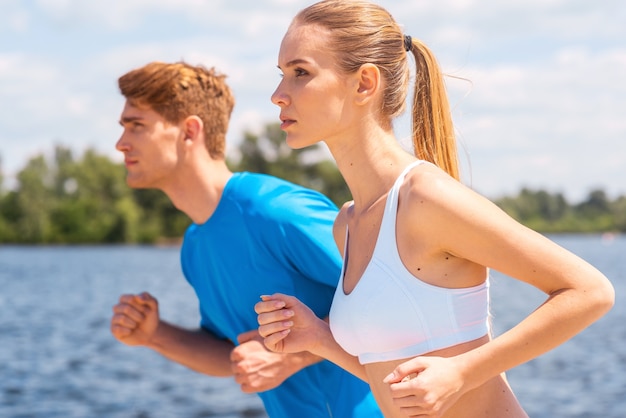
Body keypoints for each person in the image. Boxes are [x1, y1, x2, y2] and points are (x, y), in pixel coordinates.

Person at [254, 1, 616, 417]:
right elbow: (395, 380)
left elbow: (589, 291)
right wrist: (319, 337)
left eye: (300, 73)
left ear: (364, 83)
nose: (278, 95)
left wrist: (462, 372)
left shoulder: (424, 198)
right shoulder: (348, 223)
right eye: (281, 75)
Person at [109, 61, 382, 418]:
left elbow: (388, 299)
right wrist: (154, 334)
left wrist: (295, 356)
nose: (120, 144)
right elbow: (233, 354)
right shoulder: (194, 245)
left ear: (189, 132)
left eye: (136, 126)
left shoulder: (275, 211)